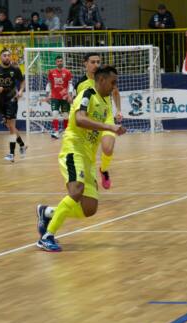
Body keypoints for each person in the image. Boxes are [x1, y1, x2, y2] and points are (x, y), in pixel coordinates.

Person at [35, 66, 126, 252]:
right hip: (74, 149)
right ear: (101, 80)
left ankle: (47, 212)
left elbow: (107, 138)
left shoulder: (107, 104)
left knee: (90, 208)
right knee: (76, 189)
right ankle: (47, 236)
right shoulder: (87, 93)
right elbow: (79, 119)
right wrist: (108, 127)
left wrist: (111, 139)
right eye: (113, 82)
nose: (115, 86)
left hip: (89, 158)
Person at [74, 53, 122, 189]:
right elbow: (79, 107)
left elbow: (116, 93)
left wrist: (118, 110)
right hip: (91, 121)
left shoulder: (105, 77)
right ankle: (89, 177)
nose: (96, 65)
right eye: (92, 62)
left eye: (98, 62)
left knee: (107, 148)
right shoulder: (81, 84)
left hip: (106, 117)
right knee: (89, 154)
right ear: (85, 63)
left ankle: (104, 170)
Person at [0, 49, 27, 162]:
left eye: (9, 55)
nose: (7, 57)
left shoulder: (15, 69)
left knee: (11, 126)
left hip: (12, 99)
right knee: (11, 127)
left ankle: (11, 154)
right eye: (5, 55)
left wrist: (21, 91)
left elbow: (22, 81)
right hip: (0, 101)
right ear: (0, 57)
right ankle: (22, 146)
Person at [44, 55, 73, 139]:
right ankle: (56, 132)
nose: (60, 62)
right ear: (56, 62)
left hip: (64, 97)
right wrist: (48, 95)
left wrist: (70, 95)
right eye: (58, 61)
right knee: (54, 114)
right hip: (54, 97)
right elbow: (49, 84)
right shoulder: (51, 72)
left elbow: (70, 84)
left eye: (61, 61)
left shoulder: (67, 72)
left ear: (62, 62)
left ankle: (66, 132)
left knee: (65, 115)